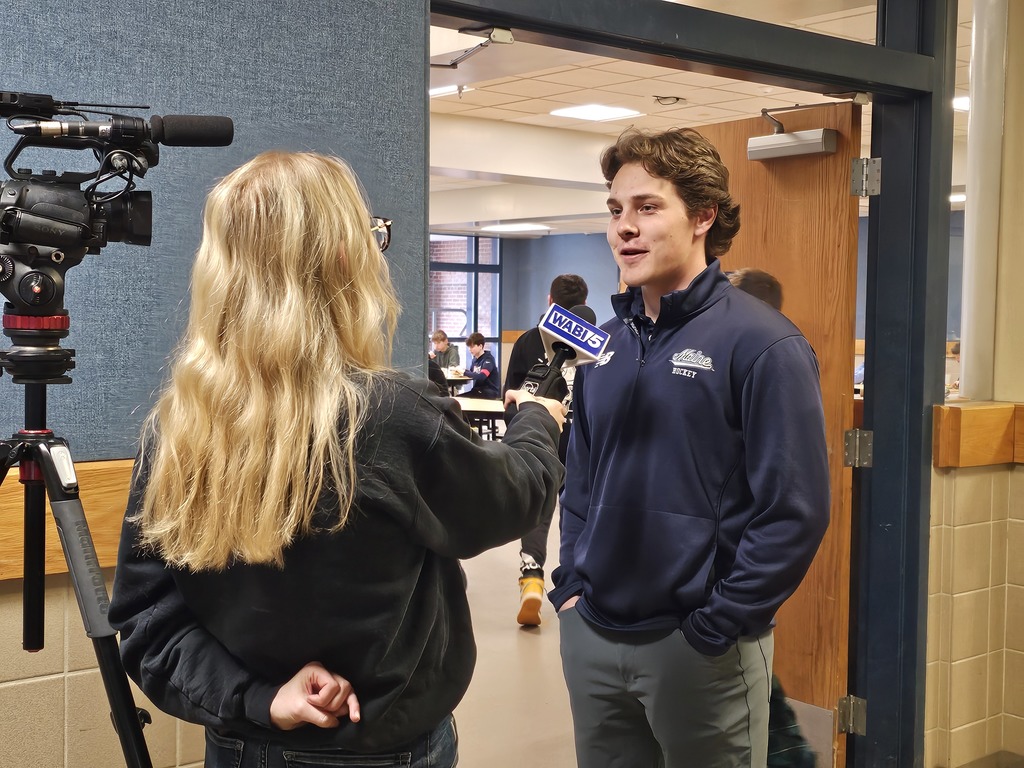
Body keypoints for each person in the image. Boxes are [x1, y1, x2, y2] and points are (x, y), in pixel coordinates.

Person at [108, 151, 567, 768]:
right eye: (373, 236)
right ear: (346, 260)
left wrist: (263, 699)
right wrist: (540, 419)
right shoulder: (392, 417)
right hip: (383, 752)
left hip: (242, 746)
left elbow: (147, 625)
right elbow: (512, 497)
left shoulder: (180, 427)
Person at [551, 127, 830, 768]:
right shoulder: (606, 343)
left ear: (704, 215)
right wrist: (570, 583)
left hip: (699, 642)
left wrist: (721, 619)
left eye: (649, 207)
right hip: (593, 630)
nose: (626, 227)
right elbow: (583, 479)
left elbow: (794, 509)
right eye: (616, 210)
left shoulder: (764, 345)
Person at [502, 273, 589, 626]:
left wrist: (521, 433)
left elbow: (511, 398)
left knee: (539, 504)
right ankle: (573, 588)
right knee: (577, 514)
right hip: (582, 445)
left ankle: (532, 578)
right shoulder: (600, 345)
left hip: (540, 438)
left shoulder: (527, 341)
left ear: (550, 300)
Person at [455, 331, 499, 399]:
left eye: (472, 347)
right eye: (469, 347)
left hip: (488, 392)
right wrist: (461, 372)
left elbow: (482, 376)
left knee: (458, 400)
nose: (470, 350)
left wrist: (464, 373)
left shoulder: (488, 360)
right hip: (477, 391)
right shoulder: (474, 360)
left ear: (480, 346)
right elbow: (472, 374)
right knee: (456, 398)